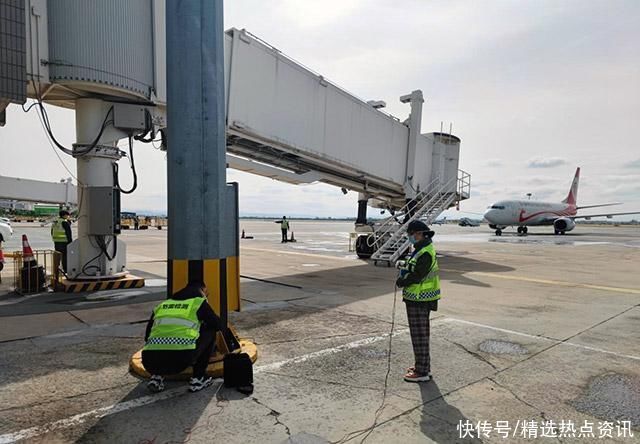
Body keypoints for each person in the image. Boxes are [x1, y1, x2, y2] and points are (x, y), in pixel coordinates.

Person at [142, 281, 221, 393]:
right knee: (211, 331)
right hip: (181, 361)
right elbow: (218, 325)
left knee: (158, 337)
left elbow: (147, 336)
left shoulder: (162, 305)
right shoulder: (198, 303)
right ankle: (199, 378)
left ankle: (156, 377)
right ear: (202, 290)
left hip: (150, 362)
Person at [395, 220, 440, 383]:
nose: (410, 237)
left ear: (419, 234)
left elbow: (417, 276)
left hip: (420, 300)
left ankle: (422, 372)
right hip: (417, 299)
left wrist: (402, 281)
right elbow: (415, 268)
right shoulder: (421, 249)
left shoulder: (425, 252)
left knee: (419, 336)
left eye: (411, 234)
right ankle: (422, 366)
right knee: (419, 335)